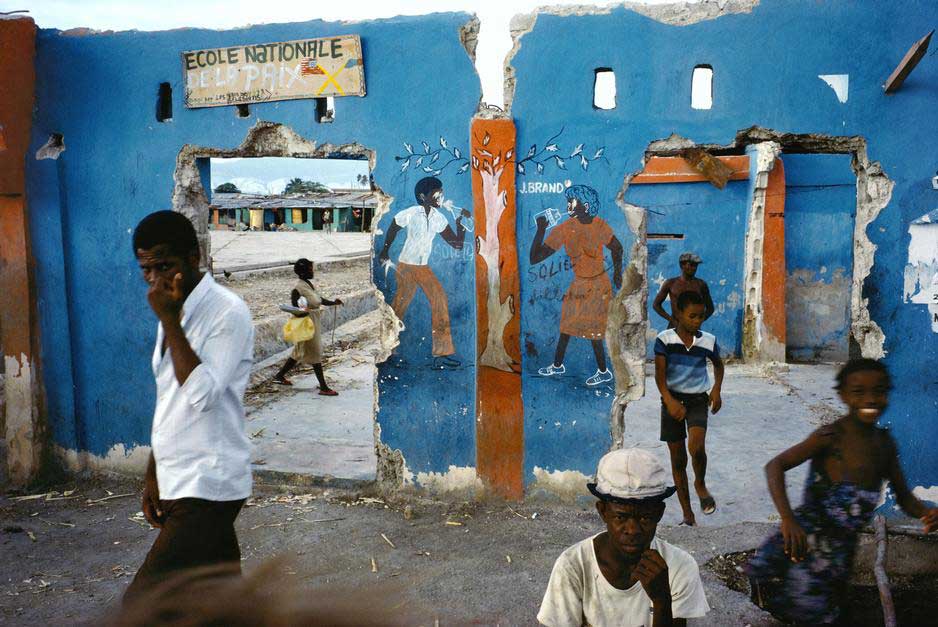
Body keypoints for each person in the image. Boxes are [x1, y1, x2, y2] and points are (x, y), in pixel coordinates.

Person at [747, 359, 938, 625]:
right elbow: (775, 466)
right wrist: (788, 519)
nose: (870, 399)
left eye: (879, 390)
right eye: (859, 392)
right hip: (806, 546)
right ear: (843, 395)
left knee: (830, 612)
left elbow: (904, 498)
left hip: (840, 556)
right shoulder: (829, 437)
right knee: (803, 610)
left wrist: (927, 513)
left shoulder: (884, 445)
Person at [125, 210, 254, 603]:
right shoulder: (172, 307)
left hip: (210, 481)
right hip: (182, 476)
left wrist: (169, 322)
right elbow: (171, 398)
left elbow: (202, 395)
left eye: (164, 265)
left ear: (193, 257)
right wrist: (154, 470)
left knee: (142, 604)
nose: (155, 279)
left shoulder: (226, 312)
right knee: (219, 599)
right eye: (146, 269)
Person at [538, 448, 710, 627]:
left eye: (644, 518)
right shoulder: (573, 566)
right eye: (620, 517)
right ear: (603, 511)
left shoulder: (680, 567)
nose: (633, 530)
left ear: (659, 513)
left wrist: (662, 601)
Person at [530, 184, 623, 386]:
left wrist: (618, 274)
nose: (568, 205)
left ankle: (603, 371)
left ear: (585, 205)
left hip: (598, 284)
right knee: (567, 325)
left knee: (594, 329)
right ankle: (557, 365)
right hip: (579, 284)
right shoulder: (565, 228)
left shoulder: (599, 225)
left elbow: (617, 248)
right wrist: (541, 230)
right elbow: (535, 257)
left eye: (571, 201)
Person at [378, 176, 470, 368]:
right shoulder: (411, 213)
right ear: (423, 197)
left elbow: (457, 244)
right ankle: (387, 349)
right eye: (436, 194)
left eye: (441, 193)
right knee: (399, 307)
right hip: (406, 266)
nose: (440, 197)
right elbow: (394, 227)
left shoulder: (439, 218)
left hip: (423, 268)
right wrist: (385, 250)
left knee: (439, 299)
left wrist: (460, 225)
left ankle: (442, 353)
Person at [654, 290, 724, 526]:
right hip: (672, 399)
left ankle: (700, 483)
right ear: (678, 314)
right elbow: (660, 378)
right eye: (692, 316)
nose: (697, 321)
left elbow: (718, 365)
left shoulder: (708, 341)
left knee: (696, 446)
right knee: (678, 459)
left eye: (701, 316)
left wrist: (716, 390)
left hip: (697, 400)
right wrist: (669, 400)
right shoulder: (664, 340)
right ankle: (687, 512)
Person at [273, 258, 342, 395]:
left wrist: (333, 303)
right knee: (315, 352)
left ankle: (279, 376)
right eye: (310, 269)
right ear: (304, 272)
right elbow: (294, 308)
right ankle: (323, 387)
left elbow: (318, 299)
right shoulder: (298, 289)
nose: (312, 271)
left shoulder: (308, 284)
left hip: (313, 322)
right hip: (306, 324)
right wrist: (303, 311)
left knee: (299, 351)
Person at [652, 253, 714, 329]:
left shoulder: (701, 284)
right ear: (682, 266)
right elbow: (656, 305)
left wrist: (698, 321)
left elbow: (710, 308)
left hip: (693, 330)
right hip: (675, 327)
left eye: (695, 265)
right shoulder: (671, 283)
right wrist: (671, 320)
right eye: (691, 265)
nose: (694, 268)